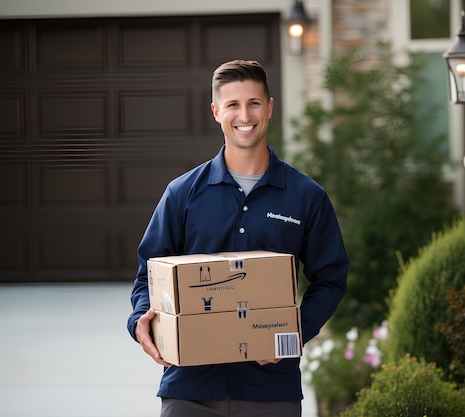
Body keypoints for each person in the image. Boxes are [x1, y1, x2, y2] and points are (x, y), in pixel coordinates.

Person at [127, 59, 349, 417]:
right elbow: (147, 277)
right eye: (232, 104)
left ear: (270, 107)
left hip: (271, 390)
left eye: (254, 103)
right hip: (190, 388)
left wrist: (294, 331)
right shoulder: (182, 194)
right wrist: (140, 320)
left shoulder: (306, 196)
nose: (244, 115)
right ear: (216, 112)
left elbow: (331, 278)